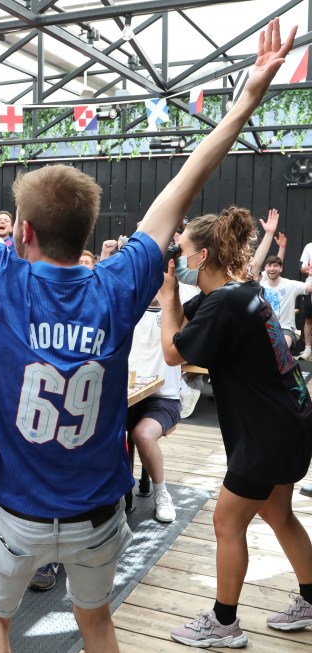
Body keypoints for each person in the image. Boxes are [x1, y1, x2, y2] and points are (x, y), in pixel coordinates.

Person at [0, 1, 296, 652]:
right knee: (96, 622)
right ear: (88, 234)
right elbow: (186, 182)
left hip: (16, 515)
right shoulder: (118, 282)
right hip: (98, 513)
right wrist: (244, 102)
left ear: (21, 231)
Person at [161, 205, 312, 647]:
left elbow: (174, 352)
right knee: (277, 512)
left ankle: (224, 623)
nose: (178, 258)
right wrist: (170, 290)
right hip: (291, 419)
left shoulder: (226, 300)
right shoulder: (236, 292)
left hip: (267, 433)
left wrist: (169, 291)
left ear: (202, 256)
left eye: (183, 251)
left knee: (227, 522)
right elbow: (186, 322)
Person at [128, 285, 183, 524]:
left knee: (142, 434)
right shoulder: (129, 311)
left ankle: (161, 492)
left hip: (163, 398)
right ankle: (118, 493)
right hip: (128, 395)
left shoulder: (174, 315)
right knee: (110, 432)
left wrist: (169, 295)